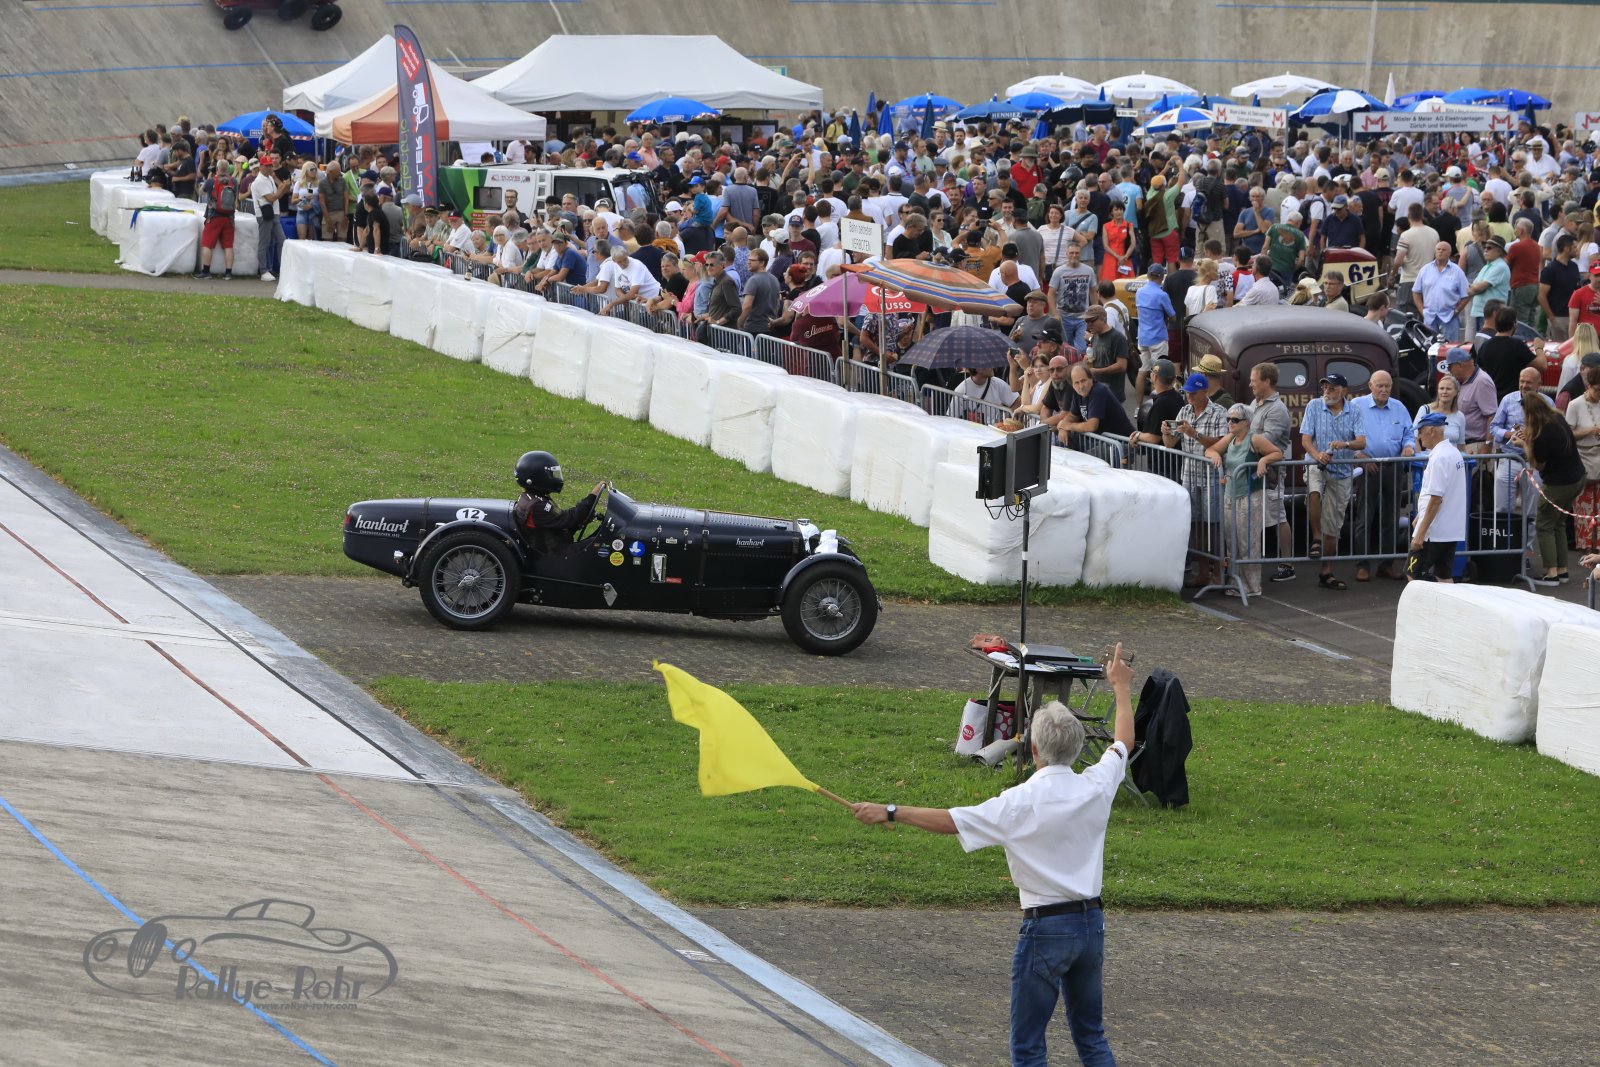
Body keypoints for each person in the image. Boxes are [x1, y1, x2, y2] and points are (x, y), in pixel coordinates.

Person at [851, 645, 1135, 1067]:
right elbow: (1123, 742)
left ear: (1034, 750)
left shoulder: (1018, 802)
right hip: (1091, 924)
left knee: (1029, 1047)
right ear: (1077, 748)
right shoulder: (1096, 785)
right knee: (1091, 1037)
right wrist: (1121, 688)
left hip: (1045, 928)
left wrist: (891, 810)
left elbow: (952, 821)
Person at [1300, 373, 1367, 590]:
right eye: (1324, 388)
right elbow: (1305, 440)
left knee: (1333, 526)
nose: (1326, 392)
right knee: (1314, 490)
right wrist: (1317, 455)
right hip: (1316, 463)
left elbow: (1361, 442)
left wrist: (1345, 444)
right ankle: (1316, 538)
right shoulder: (1314, 406)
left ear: (1343, 391)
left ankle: (1326, 572)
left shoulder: (1354, 410)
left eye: (1331, 388)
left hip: (1342, 472)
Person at [1208, 402, 1282, 598]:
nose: (1230, 423)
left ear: (1246, 422)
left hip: (1250, 495)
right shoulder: (1230, 438)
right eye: (1228, 419)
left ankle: (1252, 586)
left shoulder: (1255, 439)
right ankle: (1235, 581)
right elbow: (1210, 450)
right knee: (1231, 540)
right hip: (1230, 495)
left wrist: (1263, 460)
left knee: (1248, 541)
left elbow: (1277, 453)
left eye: (1235, 420)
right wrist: (1215, 456)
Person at [1516, 386, 1588, 586]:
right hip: (1577, 477)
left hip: (1559, 483)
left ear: (1530, 413)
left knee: (1544, 524)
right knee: (1558, 524)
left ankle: (1551, 573)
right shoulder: (1557, 418)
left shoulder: (1542, 435)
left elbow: (1538, 465)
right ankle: (1562, 570)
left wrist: (1524, 445)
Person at [1164, 372, 1228, 587]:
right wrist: (1166, 432)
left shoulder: (1219, 412)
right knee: (1197, 525)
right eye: (1186, 393)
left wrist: (1194, 434)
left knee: (1214, 525)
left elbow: (1221, 444)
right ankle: (1203, 573)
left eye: (1193, 393)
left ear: (1205, 392)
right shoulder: (1184, 410)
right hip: (1189, 476)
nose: (1189, 396)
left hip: (1212, 476)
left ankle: (1218, 573)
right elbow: (1170, 444)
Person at [1350, 370, 1416, 582]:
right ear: (1370, 386)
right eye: (1380, 385)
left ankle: (1386, 565)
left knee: (1391, 519)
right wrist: (1359, 456)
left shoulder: (1399, 407)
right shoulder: (1357, 406)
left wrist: (1408, 446)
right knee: (1365, 518)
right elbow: (1345, 435)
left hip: (1393, 467)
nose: (1384, 390)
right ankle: (1362, 565)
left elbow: (1409, 433)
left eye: (1387, 386)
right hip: (1367, 468)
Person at [1246, 362, 1296, 581]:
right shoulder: (1255, 403)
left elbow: (1266, 441)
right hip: (1254, 470)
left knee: (1277, 515)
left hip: (1271, 473)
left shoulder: (1277, 409)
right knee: (1255, 515)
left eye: (1254, 380)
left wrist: (1241, 443)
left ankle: (1287, 564)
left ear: (1267, 381)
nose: (1250, 384)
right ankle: (1252, 561)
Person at [1407, 413, 1468, 583]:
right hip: (1450, 530)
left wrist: (1420, 533)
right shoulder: (1454, 452)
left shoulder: (1439, 458)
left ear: (1432, 431)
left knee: (1413, 576)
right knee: (1444, 577)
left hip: (1433, 532)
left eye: (1421, 431)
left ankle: (1423, 603)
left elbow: (1436, 499)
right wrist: (1421, 516)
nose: (1419, 436)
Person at [511, 451, 606, 554]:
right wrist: (592, 496)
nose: (555, 478)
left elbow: (561, 522)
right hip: (557, 554)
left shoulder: (530, 498)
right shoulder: (537, 506)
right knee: (604, 544)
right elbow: (570, 518)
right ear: (539, 477)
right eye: (551, 474)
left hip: (555, 546)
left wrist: (584, 519)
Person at [1566, 365, 1600, 555]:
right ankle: (1586, 546)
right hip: (1582, 459)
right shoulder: (1575, 405)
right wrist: (1589, 431)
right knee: (1584, 506)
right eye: (1597, 390)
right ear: (1589, 386)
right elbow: (1568, 435)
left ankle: (1598, 546)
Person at [1476, 305, 1545, 399]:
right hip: (1514, 399)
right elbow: (1542, 366)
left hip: (1492, 399)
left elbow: (1480, 373)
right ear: (1514, 325)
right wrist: (1539, 348)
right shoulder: (1517, 346)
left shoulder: (1485, 346)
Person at [1058, 361, 1134, 445]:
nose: (1081, 386)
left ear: (1091, 378)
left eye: (1083, 381)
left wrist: (1068, 426)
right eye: (1076, 383)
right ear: (1072, 384)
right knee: (1062, 442)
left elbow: (1091, 426)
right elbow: (1072, 416)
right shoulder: (1078, 393)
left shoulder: (1098, 391)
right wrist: (1063, 427)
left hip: (1122, 444)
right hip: (1105, 442)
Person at [1412, 240, 1470, 341]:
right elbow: (1416, 291)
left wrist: (1456, 311)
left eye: (1444, 250)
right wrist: (1422, 311)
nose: (1440, 251)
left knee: (1450, 346)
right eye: (1438, 249)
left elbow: (1466, 294)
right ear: (1435, 252)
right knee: (1429, 347)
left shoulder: (1457, 271)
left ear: (1449, 253)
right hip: (1429, 317)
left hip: (1449, 317)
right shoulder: (1425, 270)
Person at [1133, 263, 1175, 397]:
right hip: (1158, 338)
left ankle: (1138, 406)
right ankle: (1155, 404)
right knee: (1157, 374)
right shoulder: (1162, 295)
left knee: (1142, 372)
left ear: (1148, 275)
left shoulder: (1139, 292)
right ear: (1161, 277)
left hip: (1143, 338)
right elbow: (1173, 316)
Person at [194, 160, 237, 280]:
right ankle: (228, 273)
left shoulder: (212, 180)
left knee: (207, 244)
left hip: (213, 216)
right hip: (229, 218)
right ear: (228, 169)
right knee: (228, 246)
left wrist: (208, 178)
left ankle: (206, 271)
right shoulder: (233, 181)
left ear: (217, 169)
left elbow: (200, 192)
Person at [1413, 372, 1466, 448]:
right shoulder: (1425, 410)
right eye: (1441, 388)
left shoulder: (1460, 416)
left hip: (1452, 455)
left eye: (1448, 389)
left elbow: (1461, 445)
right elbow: (1414, 436)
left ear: (1456, 392)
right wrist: (1420, 454)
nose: (1444, 392)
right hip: (1431, 455)